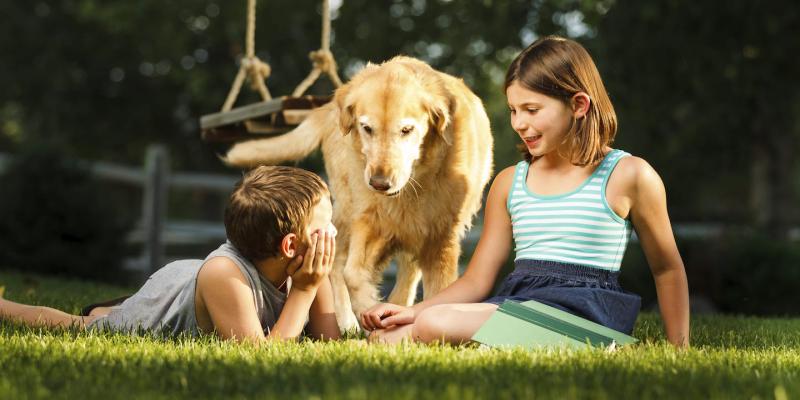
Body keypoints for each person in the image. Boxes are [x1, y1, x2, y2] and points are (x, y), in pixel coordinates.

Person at [361, 36, 690, 347]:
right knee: (389, 336)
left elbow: (667, 268)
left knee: (435, 324)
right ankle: (503, 338)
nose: (518, 123)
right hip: (521, 304)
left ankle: (604, 345)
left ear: (578, 105)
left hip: (588, 315)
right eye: (513, 110)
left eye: (532, 110)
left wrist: (680, 349)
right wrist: (412, 312)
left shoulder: (629, 174)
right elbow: (477, 280)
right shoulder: (510, 182)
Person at [0, 165, 341, 342]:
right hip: (176, 290)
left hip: (191, 283)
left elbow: (327, 342)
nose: (335, 232)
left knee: (105, 312)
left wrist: (313, 286)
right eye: (327, 223)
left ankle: (111, 305)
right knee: (85, 326)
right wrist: (304, 291)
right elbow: (262, 357)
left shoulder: (309, 269)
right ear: (291, 245)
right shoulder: (226, 275)